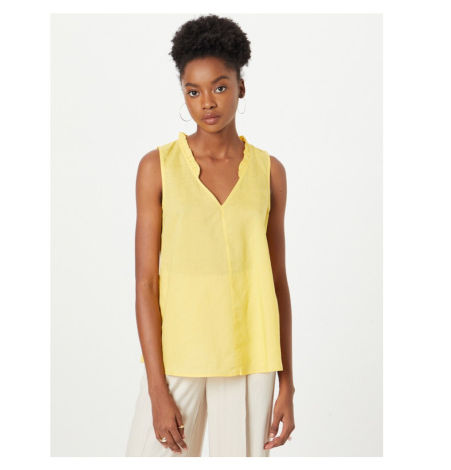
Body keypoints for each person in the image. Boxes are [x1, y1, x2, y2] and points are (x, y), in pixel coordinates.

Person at [125, 14, 295, 457]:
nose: (207, 103)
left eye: (219, 87)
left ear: (241, 87)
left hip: (251, 356)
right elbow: (145, 284)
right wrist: (157, 389)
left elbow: (277, 282)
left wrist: (287, 384)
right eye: (193, 91)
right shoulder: (157, 168)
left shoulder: (270, 172)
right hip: (180, 355)